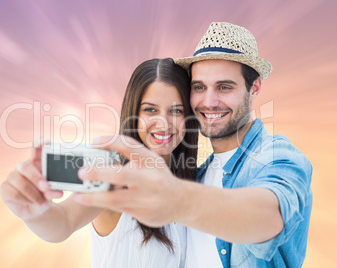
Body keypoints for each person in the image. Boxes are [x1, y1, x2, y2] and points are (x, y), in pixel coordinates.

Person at [74, 22, 313, 267]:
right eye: (199, 87)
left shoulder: (275, 156)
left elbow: (272, 216)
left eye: (224, 87)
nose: (209, 102)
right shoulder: (194, 176)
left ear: (255, 88)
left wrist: (177, 199)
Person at [0, 58, 199, 267]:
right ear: (134, 115)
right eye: (150, 110)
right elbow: (64, 221)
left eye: (176, 111)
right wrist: (36, 213)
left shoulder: (194, 183)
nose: (163, 123)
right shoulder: (116, 177)